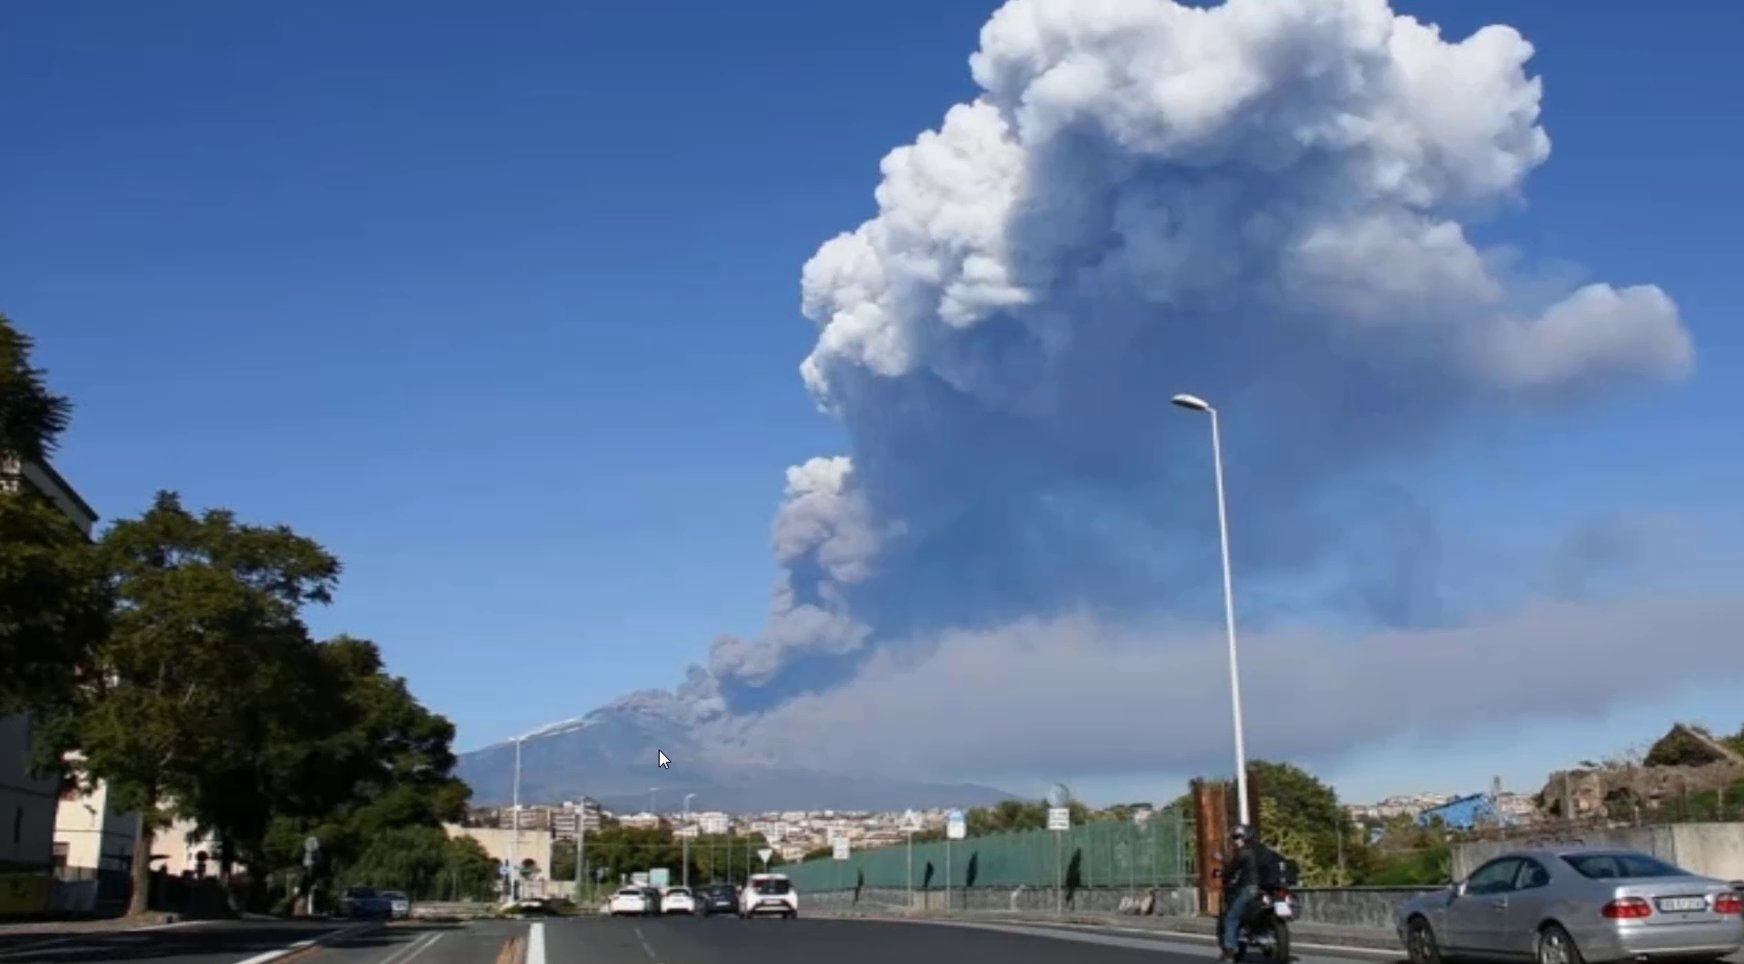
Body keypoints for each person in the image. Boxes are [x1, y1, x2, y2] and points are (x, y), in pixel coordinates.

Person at [1219, 823, 1270, 959]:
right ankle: (1258, 932)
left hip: (1249, 888)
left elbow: (1232, 869)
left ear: (1244, 837)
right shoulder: (1262, 850)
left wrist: (1223, 874)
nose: (1235, 841)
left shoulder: (1243, 853)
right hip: (1266, 888)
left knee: (1231, 917)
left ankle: (1231, 949)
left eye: (1236, 837)